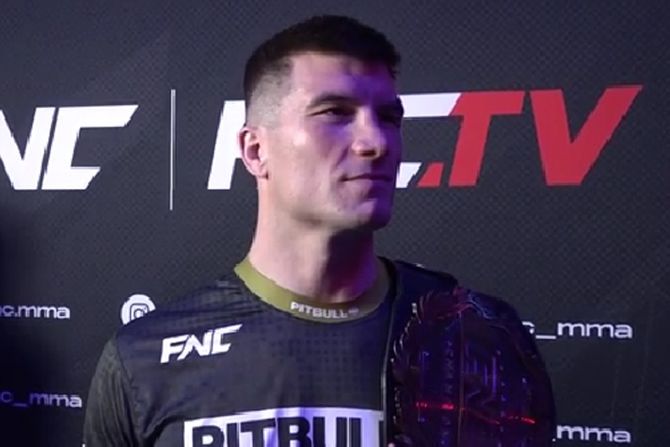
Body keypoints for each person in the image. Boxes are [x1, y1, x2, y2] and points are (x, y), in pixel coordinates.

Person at [84, 15, 554, 447]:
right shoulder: (142, 362)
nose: (376, 142)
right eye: (335, 113)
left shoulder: (473, 338)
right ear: (255, 150)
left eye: (389, 118)